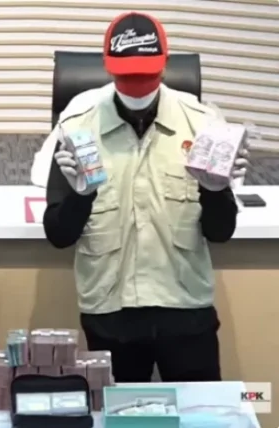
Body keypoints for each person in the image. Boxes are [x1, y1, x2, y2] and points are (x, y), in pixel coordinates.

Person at [42, 12, 250, 383]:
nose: (137, 84)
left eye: (146, 73)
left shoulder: (202, 124)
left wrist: (215, 192)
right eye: (127, 74)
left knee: (202, 410)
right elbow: (59, 235)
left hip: (186, 310)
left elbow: (221, 232)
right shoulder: (77, 126)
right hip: (110, 313)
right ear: (108, 66)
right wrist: (81, 196)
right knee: (113, 411)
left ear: (165, 64)